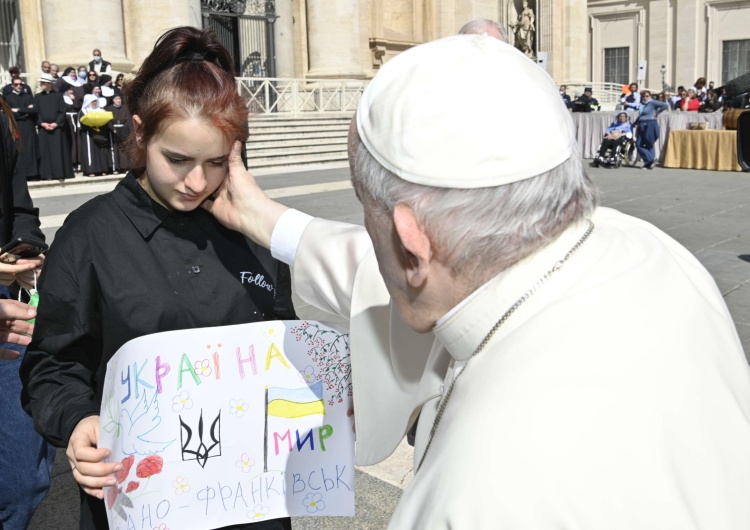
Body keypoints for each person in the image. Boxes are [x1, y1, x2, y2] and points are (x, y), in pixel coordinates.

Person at [205, 35, 750, 528]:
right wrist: (268, 220)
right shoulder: (651, 251)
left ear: (411, 244)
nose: (368, 236)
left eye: (365, 210)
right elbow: (388, 269)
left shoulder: (476, 499)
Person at [20, 26, 296, 530]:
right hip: (141, 499)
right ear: (142, 132)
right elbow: (53, 366)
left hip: (250, 494)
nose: (196, 182)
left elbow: (287, 337)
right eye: (177, 160)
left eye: (215, 163)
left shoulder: (255, 230)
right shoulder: (90, 234)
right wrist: (79, 420)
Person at [0, 96, 56, 530]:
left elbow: (18, 201)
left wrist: (27, 243)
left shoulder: (1, 112)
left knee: (24, 477)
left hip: (9, 306)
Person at [34, 74, 73, 180]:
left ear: (49, 84)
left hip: (57, 129)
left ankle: (59, 174)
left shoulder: (58, 96)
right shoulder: (37, 97)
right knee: (45, 152)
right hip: (44, 128)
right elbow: (36, 112)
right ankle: (47, 175)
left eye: (43, 82)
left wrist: (56, 123)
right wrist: (42, 123)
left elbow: (62, 111)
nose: (41, 84)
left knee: (57, 152)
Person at [4, 78, 39, 180]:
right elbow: (9, 113)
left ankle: (32, 174)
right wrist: (25, 112)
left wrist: (18, 110)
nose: (19, 86)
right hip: (16, 126)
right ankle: (22, 174)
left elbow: (34, 110)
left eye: (20, 84)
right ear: (12, 86)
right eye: (16, 84)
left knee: (30, 150)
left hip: (28, 127)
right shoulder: (8, 98)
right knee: (19, 149)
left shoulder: (28, 96)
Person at [78, 94, 112, 176]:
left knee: (102, 151)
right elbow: (82, 122)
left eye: (95, 101)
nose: (94, 103)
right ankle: (91, 170)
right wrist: (91, 125)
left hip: (101, 133)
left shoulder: (101, 110)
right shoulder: (84, 111)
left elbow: (106, 122)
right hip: (88, 134)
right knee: (91, 152)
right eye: (92, 102)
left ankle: (103, 169)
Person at [635, 89, 669, 170]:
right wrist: (635, 123)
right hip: (641, 124)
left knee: (648, 142)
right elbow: (640, 115)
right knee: (638, 144)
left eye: (647, 96)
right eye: (643, 96)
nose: (645, 98)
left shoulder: (653, 102)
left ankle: (648, 162)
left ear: (650, 96)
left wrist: (657, 112)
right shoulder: (642, 104)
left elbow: (665, 105)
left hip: (650, 123)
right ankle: (650, 160)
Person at [105, 94, 132, 172]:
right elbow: (108, 120)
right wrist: (113, 128)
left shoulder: (125, 108)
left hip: (124, 130)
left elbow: (128, 119)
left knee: (124, 149)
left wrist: (125, 128)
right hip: (113, 131)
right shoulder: (109, 109)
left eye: (119, 99)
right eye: (116, 99)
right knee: (115, 149)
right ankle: (116, 168)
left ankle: (125, 167)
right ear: (113, 100)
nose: (118, 100)